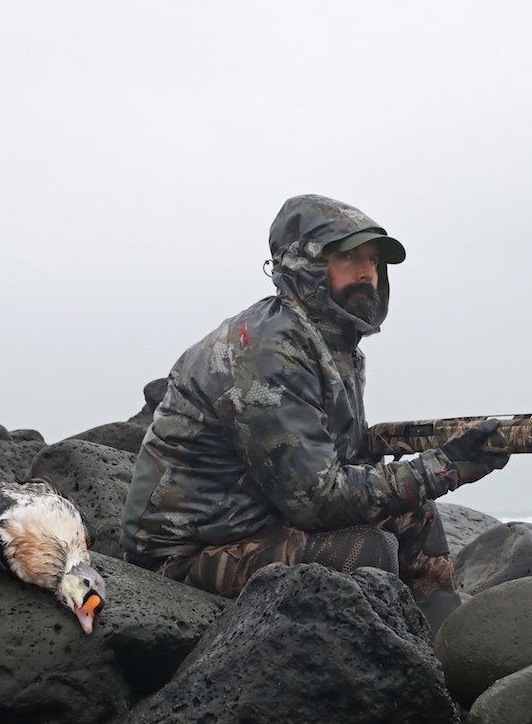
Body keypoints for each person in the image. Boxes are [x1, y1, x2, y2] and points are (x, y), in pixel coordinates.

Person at [120, 194, 508, 634]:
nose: (368, 273)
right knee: (368, 552)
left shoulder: (330, 342)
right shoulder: (266, 351)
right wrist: (444, 467)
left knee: (416, 512)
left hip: (259, 521)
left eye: (374, 260)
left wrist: (433, 460)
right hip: (182, 556)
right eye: (348, 258)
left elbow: (341, 458)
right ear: (304, 265)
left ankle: (446, 650)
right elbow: (317, 498)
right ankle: (371, 670)